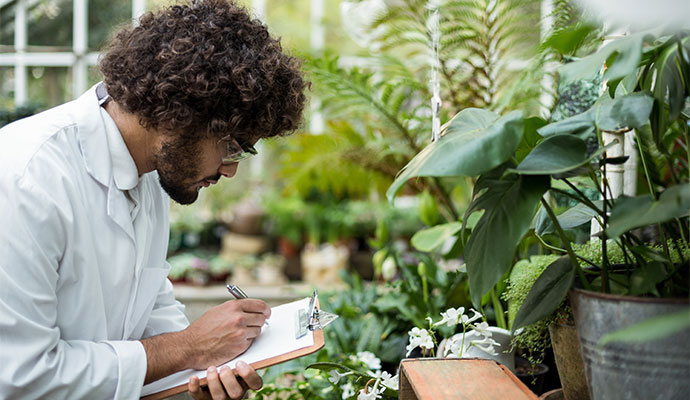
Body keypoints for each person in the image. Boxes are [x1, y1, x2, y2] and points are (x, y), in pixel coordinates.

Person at [0, 0, 307, 398]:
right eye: (232, 147)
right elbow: (21, 376)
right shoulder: (25, 178)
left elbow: (151, 316)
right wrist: (188, 348)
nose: (230, 170)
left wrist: (208, 371)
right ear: (180, 115)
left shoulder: (149, 173)